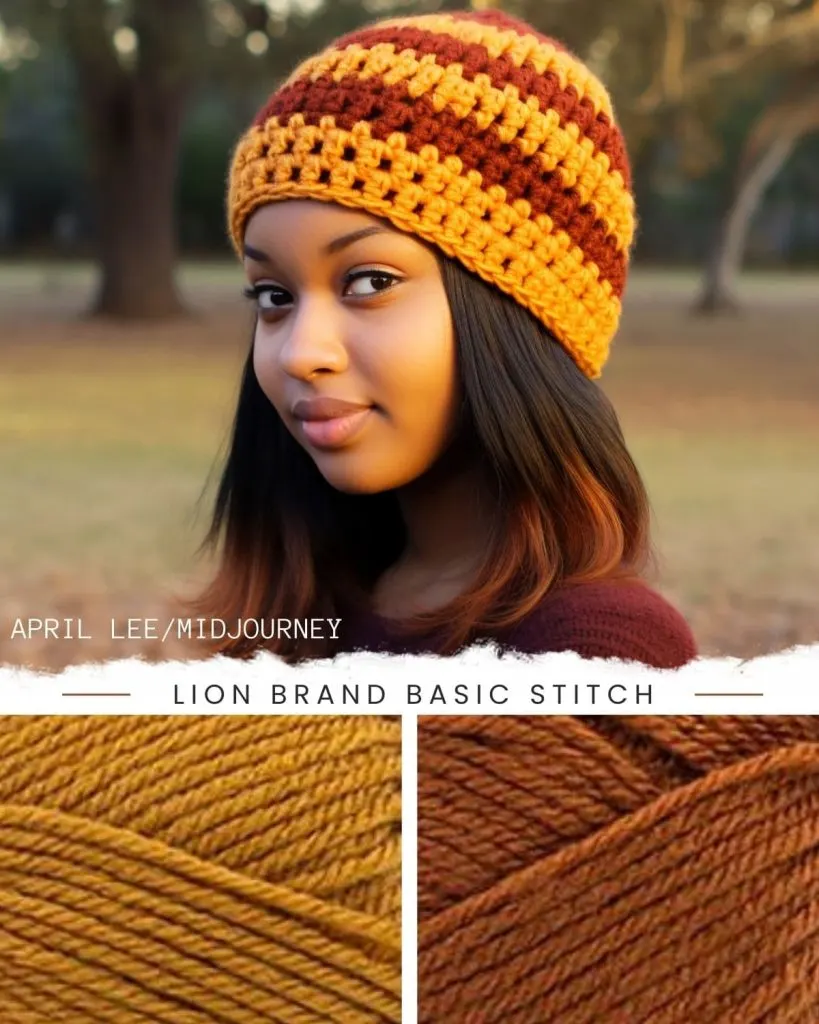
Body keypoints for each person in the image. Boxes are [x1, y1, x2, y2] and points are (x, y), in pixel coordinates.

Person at [193, 7, 696, 668]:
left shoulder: (595, 648)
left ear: (522, 312)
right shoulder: (304, 611)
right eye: (273, 296)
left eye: (369, 282)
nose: (300, 353)